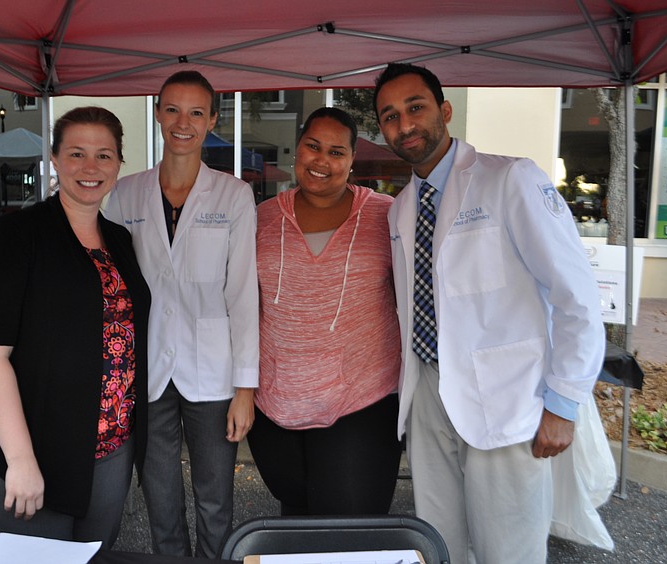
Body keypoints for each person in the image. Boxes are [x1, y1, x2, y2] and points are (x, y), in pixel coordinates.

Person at [375, 63, 605, 563]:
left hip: (506, 395)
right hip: (429, 393)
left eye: (415, 107)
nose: (404, 124)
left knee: (509, 549)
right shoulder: (400, 209)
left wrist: (564, 404)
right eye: (390, 116)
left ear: (445, 110)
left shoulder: (510, 178)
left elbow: (576, 296)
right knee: (439, 544)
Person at [0, 106, 151, 547]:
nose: (90, 167)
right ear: (56, 158)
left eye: (104, 155)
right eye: (77, 153)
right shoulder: (16, 236)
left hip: (108, 446)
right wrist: (20, 460)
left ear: (120, 162)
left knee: (95, 554)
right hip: (32, 447)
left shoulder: (119, 239)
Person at [103, 71, 258, 558]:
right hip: (145, 369)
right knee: (160, 498)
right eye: (172, 109)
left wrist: (245, 389)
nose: (183, 123)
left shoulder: (233, 196)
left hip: (213, 372)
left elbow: (242, 294)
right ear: (157, 113)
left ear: (213, 118)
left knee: (215, 501)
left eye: (196, 112)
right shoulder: (125, 194)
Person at [247, 107, 402, 516]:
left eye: (336, 152)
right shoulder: (259, 218)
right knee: (296, 519)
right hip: (275, 404)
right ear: (298, 149)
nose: (322, 160)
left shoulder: (387, 215)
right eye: (313, 146)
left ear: (352, 160)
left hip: (361, 401)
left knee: (349, 530)